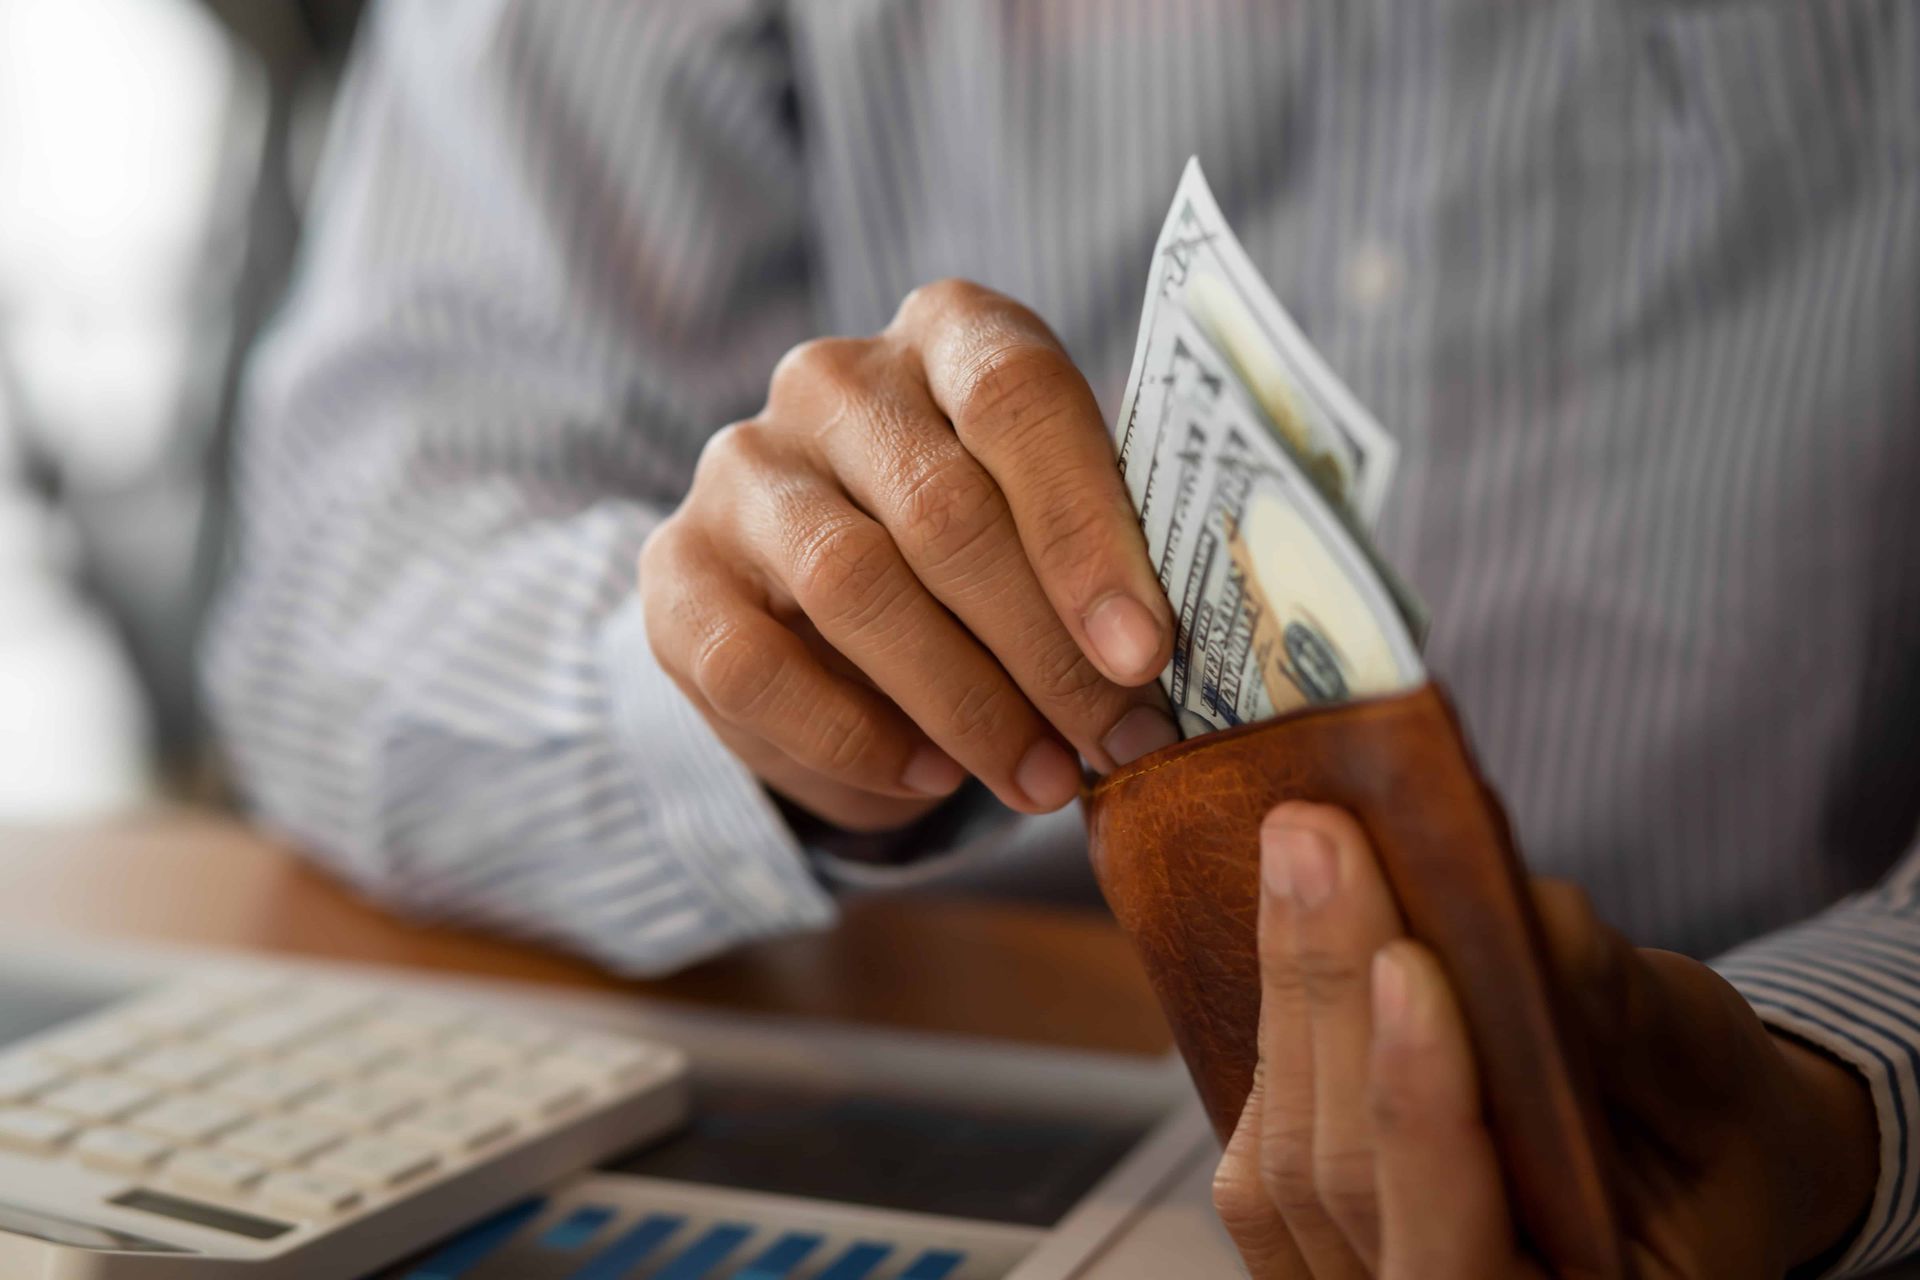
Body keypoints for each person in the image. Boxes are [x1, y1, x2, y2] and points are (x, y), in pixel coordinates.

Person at [205, 2, 1920, 1275]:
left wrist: (1837, 1090)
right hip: (887, 1066)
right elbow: (329, 599)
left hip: (1753, 1168)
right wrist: (754, 697)